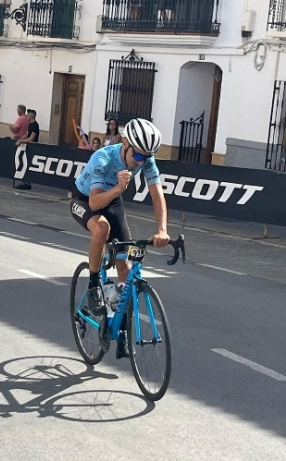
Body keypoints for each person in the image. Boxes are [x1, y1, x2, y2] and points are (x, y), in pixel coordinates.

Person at [69, 118, 169, 359]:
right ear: (125, 143)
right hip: (85, 199)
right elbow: (94, 202)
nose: (141, 162)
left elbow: (157, 195)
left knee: (125, 264)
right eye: (138, 157)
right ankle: (94, 286)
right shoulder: (103, 158)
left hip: (112, 200)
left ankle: (121, 330)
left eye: (146, 158)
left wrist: (162, 229)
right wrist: (117, 189)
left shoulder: (145, 157)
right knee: (102, 230)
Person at [15, 109, 39, 190]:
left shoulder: (35, 125)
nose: (26, 116)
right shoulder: (30, 125)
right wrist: (20, 140)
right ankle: (24, 182)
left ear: (31, 116)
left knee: (28, 164)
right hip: (27, 147)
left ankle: (27, 183)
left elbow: (31, 138)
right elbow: (27, 134)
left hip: (32, 148)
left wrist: (21, 141)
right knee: (24, 163)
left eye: (28, 115)